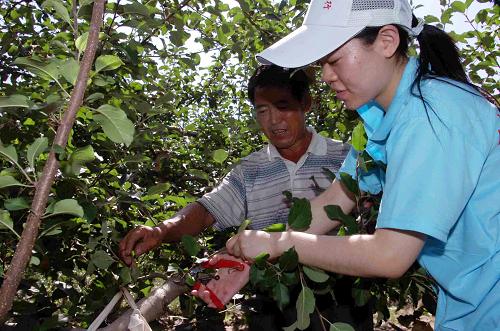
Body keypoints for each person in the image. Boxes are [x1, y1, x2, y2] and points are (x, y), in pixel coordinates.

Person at [218, 1, 500, 330]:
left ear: (387, 41)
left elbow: (389, 256)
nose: (325, 75)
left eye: (334, 60)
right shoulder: (384, 121)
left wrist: (278, 244)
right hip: (471, 302)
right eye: (323, 62)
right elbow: (333, 201)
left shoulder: (433, 115)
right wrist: (256, 255)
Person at [119, 65, 370, 329]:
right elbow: (206, 210)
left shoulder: (345, 158)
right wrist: (160, 231)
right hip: (271, 301)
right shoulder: (250, 170)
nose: (273, 121)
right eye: (263, 111)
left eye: (282, 106)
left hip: (341, 297)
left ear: (305, 103)